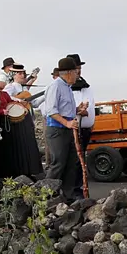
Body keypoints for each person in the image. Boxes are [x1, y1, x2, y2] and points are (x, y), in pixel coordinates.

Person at [42, 57, 83, 200]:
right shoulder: (55, 86)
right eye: (76, 72)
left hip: (67, 129)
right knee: (58, 163)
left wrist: (78, 109)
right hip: (57, 130)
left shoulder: (67, 87)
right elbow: (51, 111)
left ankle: (69, 196)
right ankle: (45, 196)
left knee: (71, 162)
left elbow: (65, 109)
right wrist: (67, 123)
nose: (77, 75)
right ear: (69, 73)